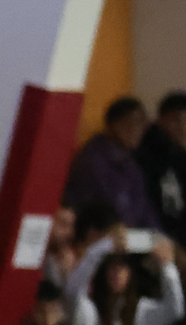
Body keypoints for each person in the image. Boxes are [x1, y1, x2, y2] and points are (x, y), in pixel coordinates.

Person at [135, 91, 186, 261]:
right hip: (157, 240)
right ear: (161, 120)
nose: (183, 129)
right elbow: (147, 209)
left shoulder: (183, 159)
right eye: (176, 121)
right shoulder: (143, 155)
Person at [63, 97, 158, 237]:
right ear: (113, 125)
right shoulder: (92, 160)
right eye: (132, 122)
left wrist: (158, 236)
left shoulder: (131, 164)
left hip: (127, 237)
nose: (138, 130)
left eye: (142, 123)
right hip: (96, 236)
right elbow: (111, 209)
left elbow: (145, 208)